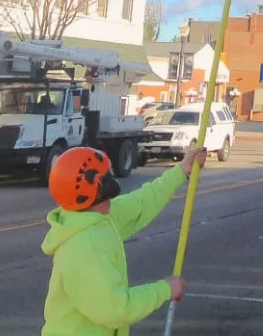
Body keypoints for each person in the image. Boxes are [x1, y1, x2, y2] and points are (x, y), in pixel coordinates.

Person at [41, 144, 207, 336]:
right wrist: (166, 289)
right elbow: (115, 309)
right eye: (108, 176)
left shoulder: (97, 217)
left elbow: (142, 202)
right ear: (103, 187)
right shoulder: (84, 246)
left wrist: (181, 171)